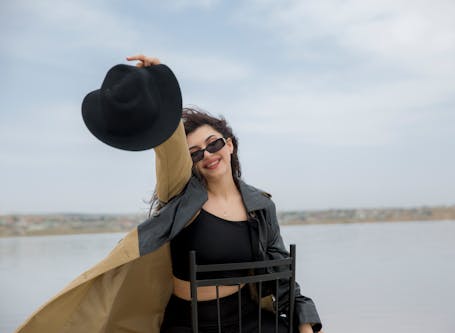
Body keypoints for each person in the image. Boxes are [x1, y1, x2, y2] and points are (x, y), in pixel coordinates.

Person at [15, 55, 323, 333]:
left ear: (230, 145)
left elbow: (282, 272)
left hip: (247, 319)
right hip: (189, 323)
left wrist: (305, 322)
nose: (208, 154)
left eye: (214, 144)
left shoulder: (260, 205)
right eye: (196, 153)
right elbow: (170, 150)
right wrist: (155, 90)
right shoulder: (181, 197)